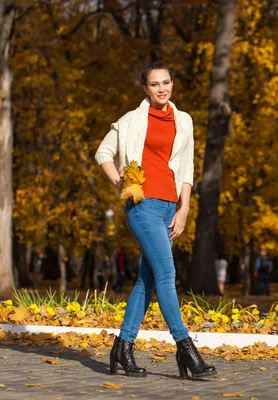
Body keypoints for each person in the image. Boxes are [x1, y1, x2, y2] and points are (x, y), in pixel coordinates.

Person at [95, 61, 215, 379]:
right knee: (165, 274)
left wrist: (185, 209)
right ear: (145, 89)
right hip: (143, 205)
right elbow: (102, 154)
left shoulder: (184, 120)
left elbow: (186, 169)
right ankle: (186, 349)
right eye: (154, 84)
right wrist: (121, 183)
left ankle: (122, 347)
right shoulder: (132, 120)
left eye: (166, 82)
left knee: (146, 282)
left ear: (172, 84)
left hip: (169, 208)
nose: (162, 89)